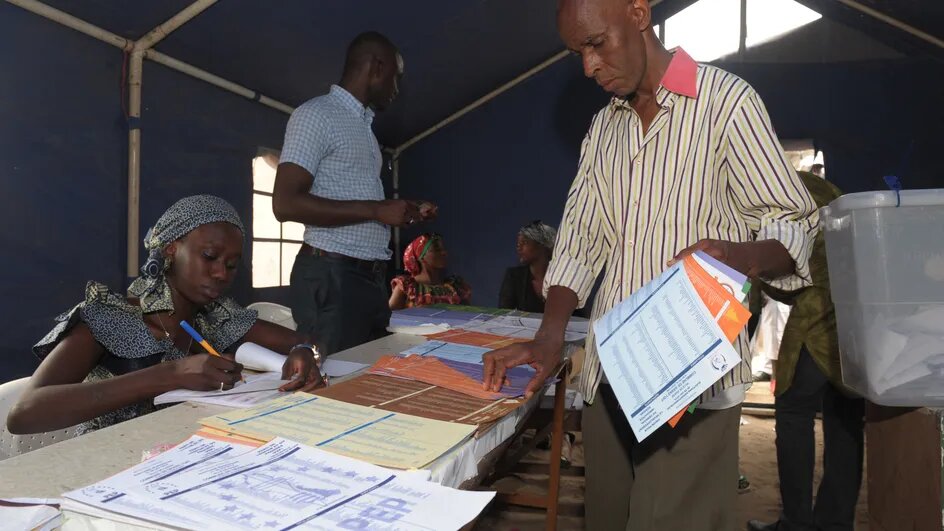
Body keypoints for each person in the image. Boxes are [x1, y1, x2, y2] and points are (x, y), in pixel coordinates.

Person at [481, 1, 819, 529]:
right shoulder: (603, 130)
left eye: (596, 44)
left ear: (638, 12)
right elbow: (580, 238)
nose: (589, 66)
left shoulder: (725, 103)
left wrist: (740, 255)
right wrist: (551, 336)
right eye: (578, 53)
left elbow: (793, 219)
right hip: (611, 378)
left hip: (692, 381)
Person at [6, 195, 323, 436]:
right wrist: (169, 375)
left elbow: (305, 340)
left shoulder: (214, 317)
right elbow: (24, 414)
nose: (220, 273)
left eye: (231, 264)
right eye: (210, 256)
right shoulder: (111, 318)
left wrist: (303, 353)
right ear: (172, 249)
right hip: (108, 470)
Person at [272, 31, 437, 356]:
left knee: (366, 381)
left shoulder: (364, 129)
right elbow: (285, 203)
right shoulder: (316, 115)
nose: (396, 89)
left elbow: (358, 201)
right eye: (395, 78)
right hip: (332, 277)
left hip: (368, 279)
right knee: (331, 390)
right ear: (377, 67)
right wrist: (376, 211)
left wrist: (403, 209)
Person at [748, 172, 864, 531]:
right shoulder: (828, 189)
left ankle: (795, 522)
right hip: (854, 320)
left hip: (815, 321)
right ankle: (835, 522)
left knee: (793, 412)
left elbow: (788, 274)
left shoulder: (776, 198)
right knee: (844, 418)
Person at [389, 233, 471, 310]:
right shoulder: (407, 287)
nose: (444, 253)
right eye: (437, 249)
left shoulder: (455, 287)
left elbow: (468, 316)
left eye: (444, 249)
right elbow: (391, 316)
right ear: (421, 256)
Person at [498, 220, 557, 313]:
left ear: (542, 246)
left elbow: (580, 318)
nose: (519, 247)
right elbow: (503, 314)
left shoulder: (563, 278)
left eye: (524, 242)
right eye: (518, 243)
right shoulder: (514, 277)